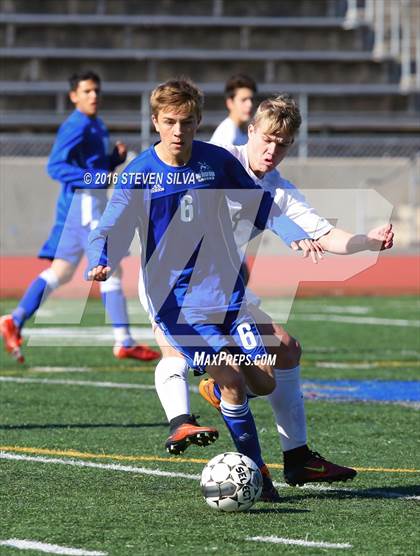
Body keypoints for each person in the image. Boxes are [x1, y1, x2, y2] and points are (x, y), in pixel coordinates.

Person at [86, 78, 316, 502]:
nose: (178, 131)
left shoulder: (216, 162)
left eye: (187, 122)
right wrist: (99, 258)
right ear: (155, 121)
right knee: (229, 376)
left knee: (263, 381)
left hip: (226, 295)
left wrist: (291, 232)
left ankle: (244, 438)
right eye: (170, 122)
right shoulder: (139, 174)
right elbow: (109, 225)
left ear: (197, 123)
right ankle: (259, 477)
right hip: (177, 305)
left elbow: (258, 203)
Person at [150, 94, 394, 492]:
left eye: (282, 144)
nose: (272, 150)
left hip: (225, 290)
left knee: (284, 349)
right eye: (266, 139)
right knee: (174, 349)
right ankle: (181, 423)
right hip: (172, 281)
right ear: (251, 131)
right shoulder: (216, 158)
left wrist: (368, 241)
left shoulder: (279, 190)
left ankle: (297, 458)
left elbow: (325, 234)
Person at [0, 70, 160, 364]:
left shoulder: (95, 123)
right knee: (110, 266)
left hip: (84, 207)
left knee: (60, 272)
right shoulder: (76, 125)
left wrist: (113, 160)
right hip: (85, 205)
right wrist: (96, 175)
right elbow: (55, 167)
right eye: (86, 91)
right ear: (74, 96)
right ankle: (123, 340)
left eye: (96, 90)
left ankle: (15, 319)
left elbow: (93, 167)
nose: (93, 96)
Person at [210, 74, 257, 146]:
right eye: (243, 100)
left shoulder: (247, 131)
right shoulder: (226, 135)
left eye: (252, 99)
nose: (250, 104)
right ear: (230, 103)